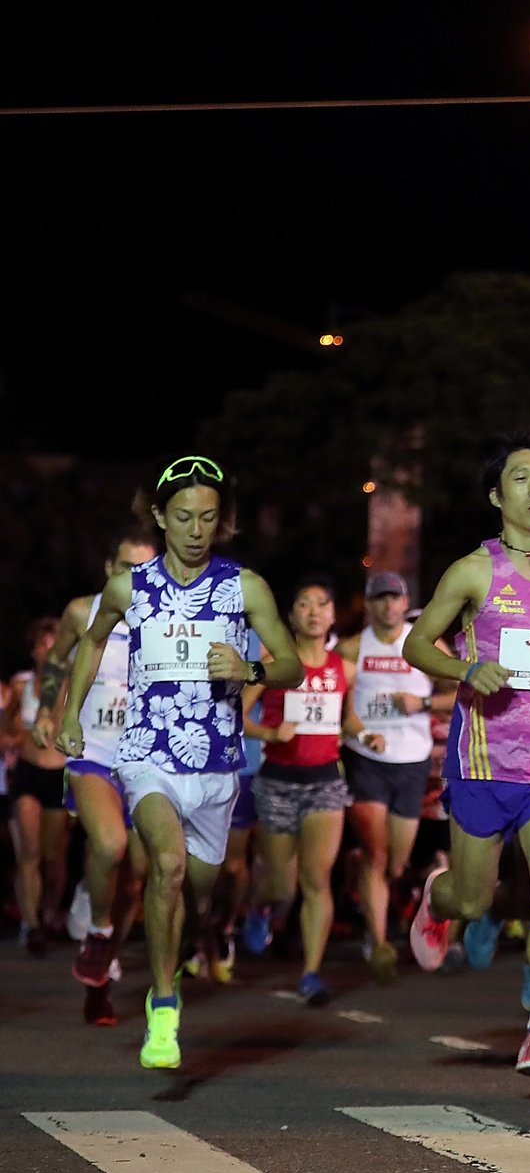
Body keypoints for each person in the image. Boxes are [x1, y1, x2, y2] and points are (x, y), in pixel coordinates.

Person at [55, 456, 303, 1070]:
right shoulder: (129, 588)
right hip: (146, 755)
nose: (196, 530)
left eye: (209, 519)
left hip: (217, 767)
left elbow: (292, 664)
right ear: (161, 517)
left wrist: (249, 669)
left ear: (222, 523)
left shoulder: (244, 587)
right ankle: (163, 1006)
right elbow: (91, 641)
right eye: (184, 517)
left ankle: (194, 943)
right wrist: (69, 713)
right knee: (164, 866)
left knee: (197, 889)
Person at [403, 436, 530, 1076]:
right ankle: (439, 900)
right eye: (522, 478)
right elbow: (417, 644)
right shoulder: (473, 571)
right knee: (475, 899)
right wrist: (467, 669)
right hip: (485, 763)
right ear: (497, 496)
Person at [39, 531, 158, 1023]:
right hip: (92, 752)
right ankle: (100, 929)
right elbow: (55, 660)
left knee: (136, 877)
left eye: (144, 571)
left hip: (149, 760)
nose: (133, 580)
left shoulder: (169, 618)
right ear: (109, 568)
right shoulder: (80, 611)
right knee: (109, 844)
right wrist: (49, 708)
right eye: (124, 569)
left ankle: (103, 954)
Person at [243, 578, 372, 1007]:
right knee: (282, 886)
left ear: (333, 615)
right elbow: (236, 717)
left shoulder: (343, 668)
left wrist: (365, 735)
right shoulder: (274, 663)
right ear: (291, 615)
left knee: (317, 879)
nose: (314, 611)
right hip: (277, 781)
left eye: (322, 603)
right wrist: (268, 732)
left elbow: (346, 718)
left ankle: (312, 972)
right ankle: (262, 907)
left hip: (325, 783)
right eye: (304, 603)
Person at [340, 571, 435, 986]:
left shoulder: (423, 644)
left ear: (405, 600)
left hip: (412, 760)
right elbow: (340, 709)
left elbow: (463, 686)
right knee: (378, 854)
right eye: (379, 598)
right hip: (368, 759)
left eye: (394, 598)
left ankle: (370, 875)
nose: (388, 606)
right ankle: (377, 940)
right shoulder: (351, 648)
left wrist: (424, 701)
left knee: (396, 862)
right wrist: (362, 733)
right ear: (368, 603)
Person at [9, 617, 68, 955]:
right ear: (34, 649)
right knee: (29, 853)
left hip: (58, 774)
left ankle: (48, 912)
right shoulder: (21, 686)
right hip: (29, 773)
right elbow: (9, 728)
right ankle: (30, 924)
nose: (49, 649)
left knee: (52, 856)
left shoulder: (71, 682)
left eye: (55, 643)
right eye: (44, 643)